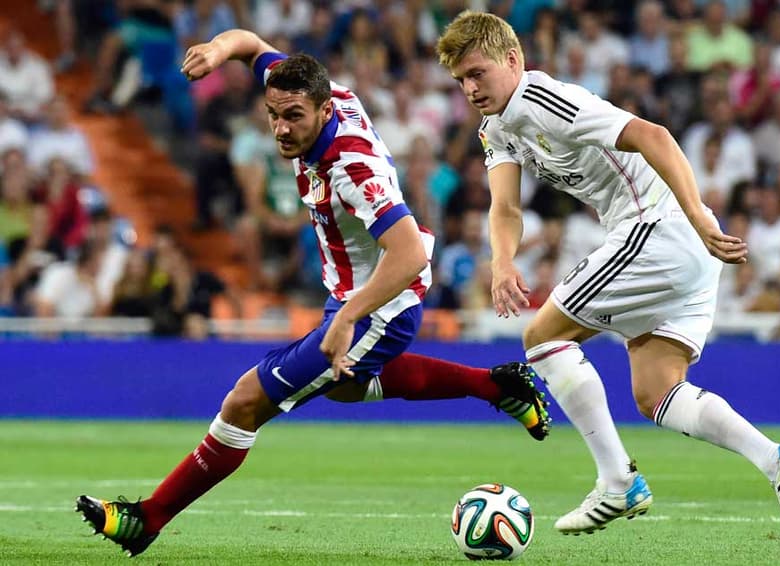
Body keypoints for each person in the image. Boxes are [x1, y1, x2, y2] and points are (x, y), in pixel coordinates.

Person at [75, 29, 551, 557]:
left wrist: (348, 317)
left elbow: (411, 253)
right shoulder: (313, 92)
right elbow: (252, 45)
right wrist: (217, 52)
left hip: (380, 307)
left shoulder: (352, 169)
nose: (280, 128)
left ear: (325, 111)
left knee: (244, 401)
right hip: (351, 292)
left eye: (293, 117)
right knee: (346, 386)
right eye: (273, 114)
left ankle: (147, 518)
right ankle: (498, 385)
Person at [435, 11, 780, 547]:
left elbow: (653, 135)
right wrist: (501, 263)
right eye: (460, 81)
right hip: (672, 245)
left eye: (478, 73)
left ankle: (618, 481)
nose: (470, 88)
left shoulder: (544, 100)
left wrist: (700, 217)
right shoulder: (497, 126)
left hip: (660, 229)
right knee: (656, 391)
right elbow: (505, 208)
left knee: (541, 338)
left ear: (513, 60)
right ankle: (776, 461)